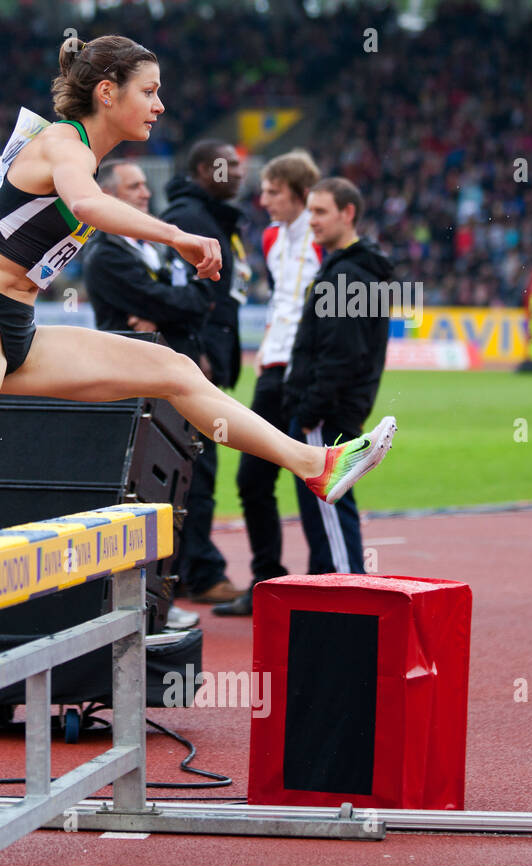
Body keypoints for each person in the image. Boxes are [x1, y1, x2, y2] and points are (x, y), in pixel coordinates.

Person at [0, 37, 395, 556]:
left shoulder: (47, 143)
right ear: (107, 92)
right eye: (149, 92)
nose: (160, 105)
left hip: (19, 329)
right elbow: (87, 203)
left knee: (173, 369)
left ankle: (315, 464)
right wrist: (177, 234)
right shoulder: (65, 146)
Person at [81, 157, 213, 630]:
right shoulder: (108, 254)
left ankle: (159, 596)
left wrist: (172, 313)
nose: (145, 194)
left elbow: (180, 303)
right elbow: (177, 302)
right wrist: (177, 310)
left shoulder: (149, 251)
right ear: (111, 196)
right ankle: (138, 603)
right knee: (138, 497)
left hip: (162, 387)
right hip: (132, 396)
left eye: (144, 186)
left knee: (173, 493)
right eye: (134, 187)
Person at [215, 150, 323, 617]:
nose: (264, 199)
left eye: (274, 192)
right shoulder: (272, 237)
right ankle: (267, 581)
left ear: (300, 195)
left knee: (314, 478)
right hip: (272, 372)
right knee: (252, 478)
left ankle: (327, 584)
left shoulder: (324, 240)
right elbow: (281, 300)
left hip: (308, 374)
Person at [156, 139, 251, 605]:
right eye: (227, 165)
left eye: (238, 164)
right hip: (194, 365)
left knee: (196, 469)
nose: (238, 172)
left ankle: (187, 570)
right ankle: (198, 572)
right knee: (199, 472)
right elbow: (192, 296)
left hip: (202, 361)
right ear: (200, 169)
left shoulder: (211, 219)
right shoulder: (192, 221)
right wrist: (202, 351)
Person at [283, 176, 394, 576]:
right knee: (325, 512)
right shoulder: (360, 270)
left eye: (320, 211)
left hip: (325, 416)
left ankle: (348, 598)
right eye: (309, 210)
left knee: (328, 509)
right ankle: (326, 596)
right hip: (337, 410)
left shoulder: (347, 274)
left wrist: (310, 411)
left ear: (348, 213)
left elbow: (343, 354)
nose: (311, 220)